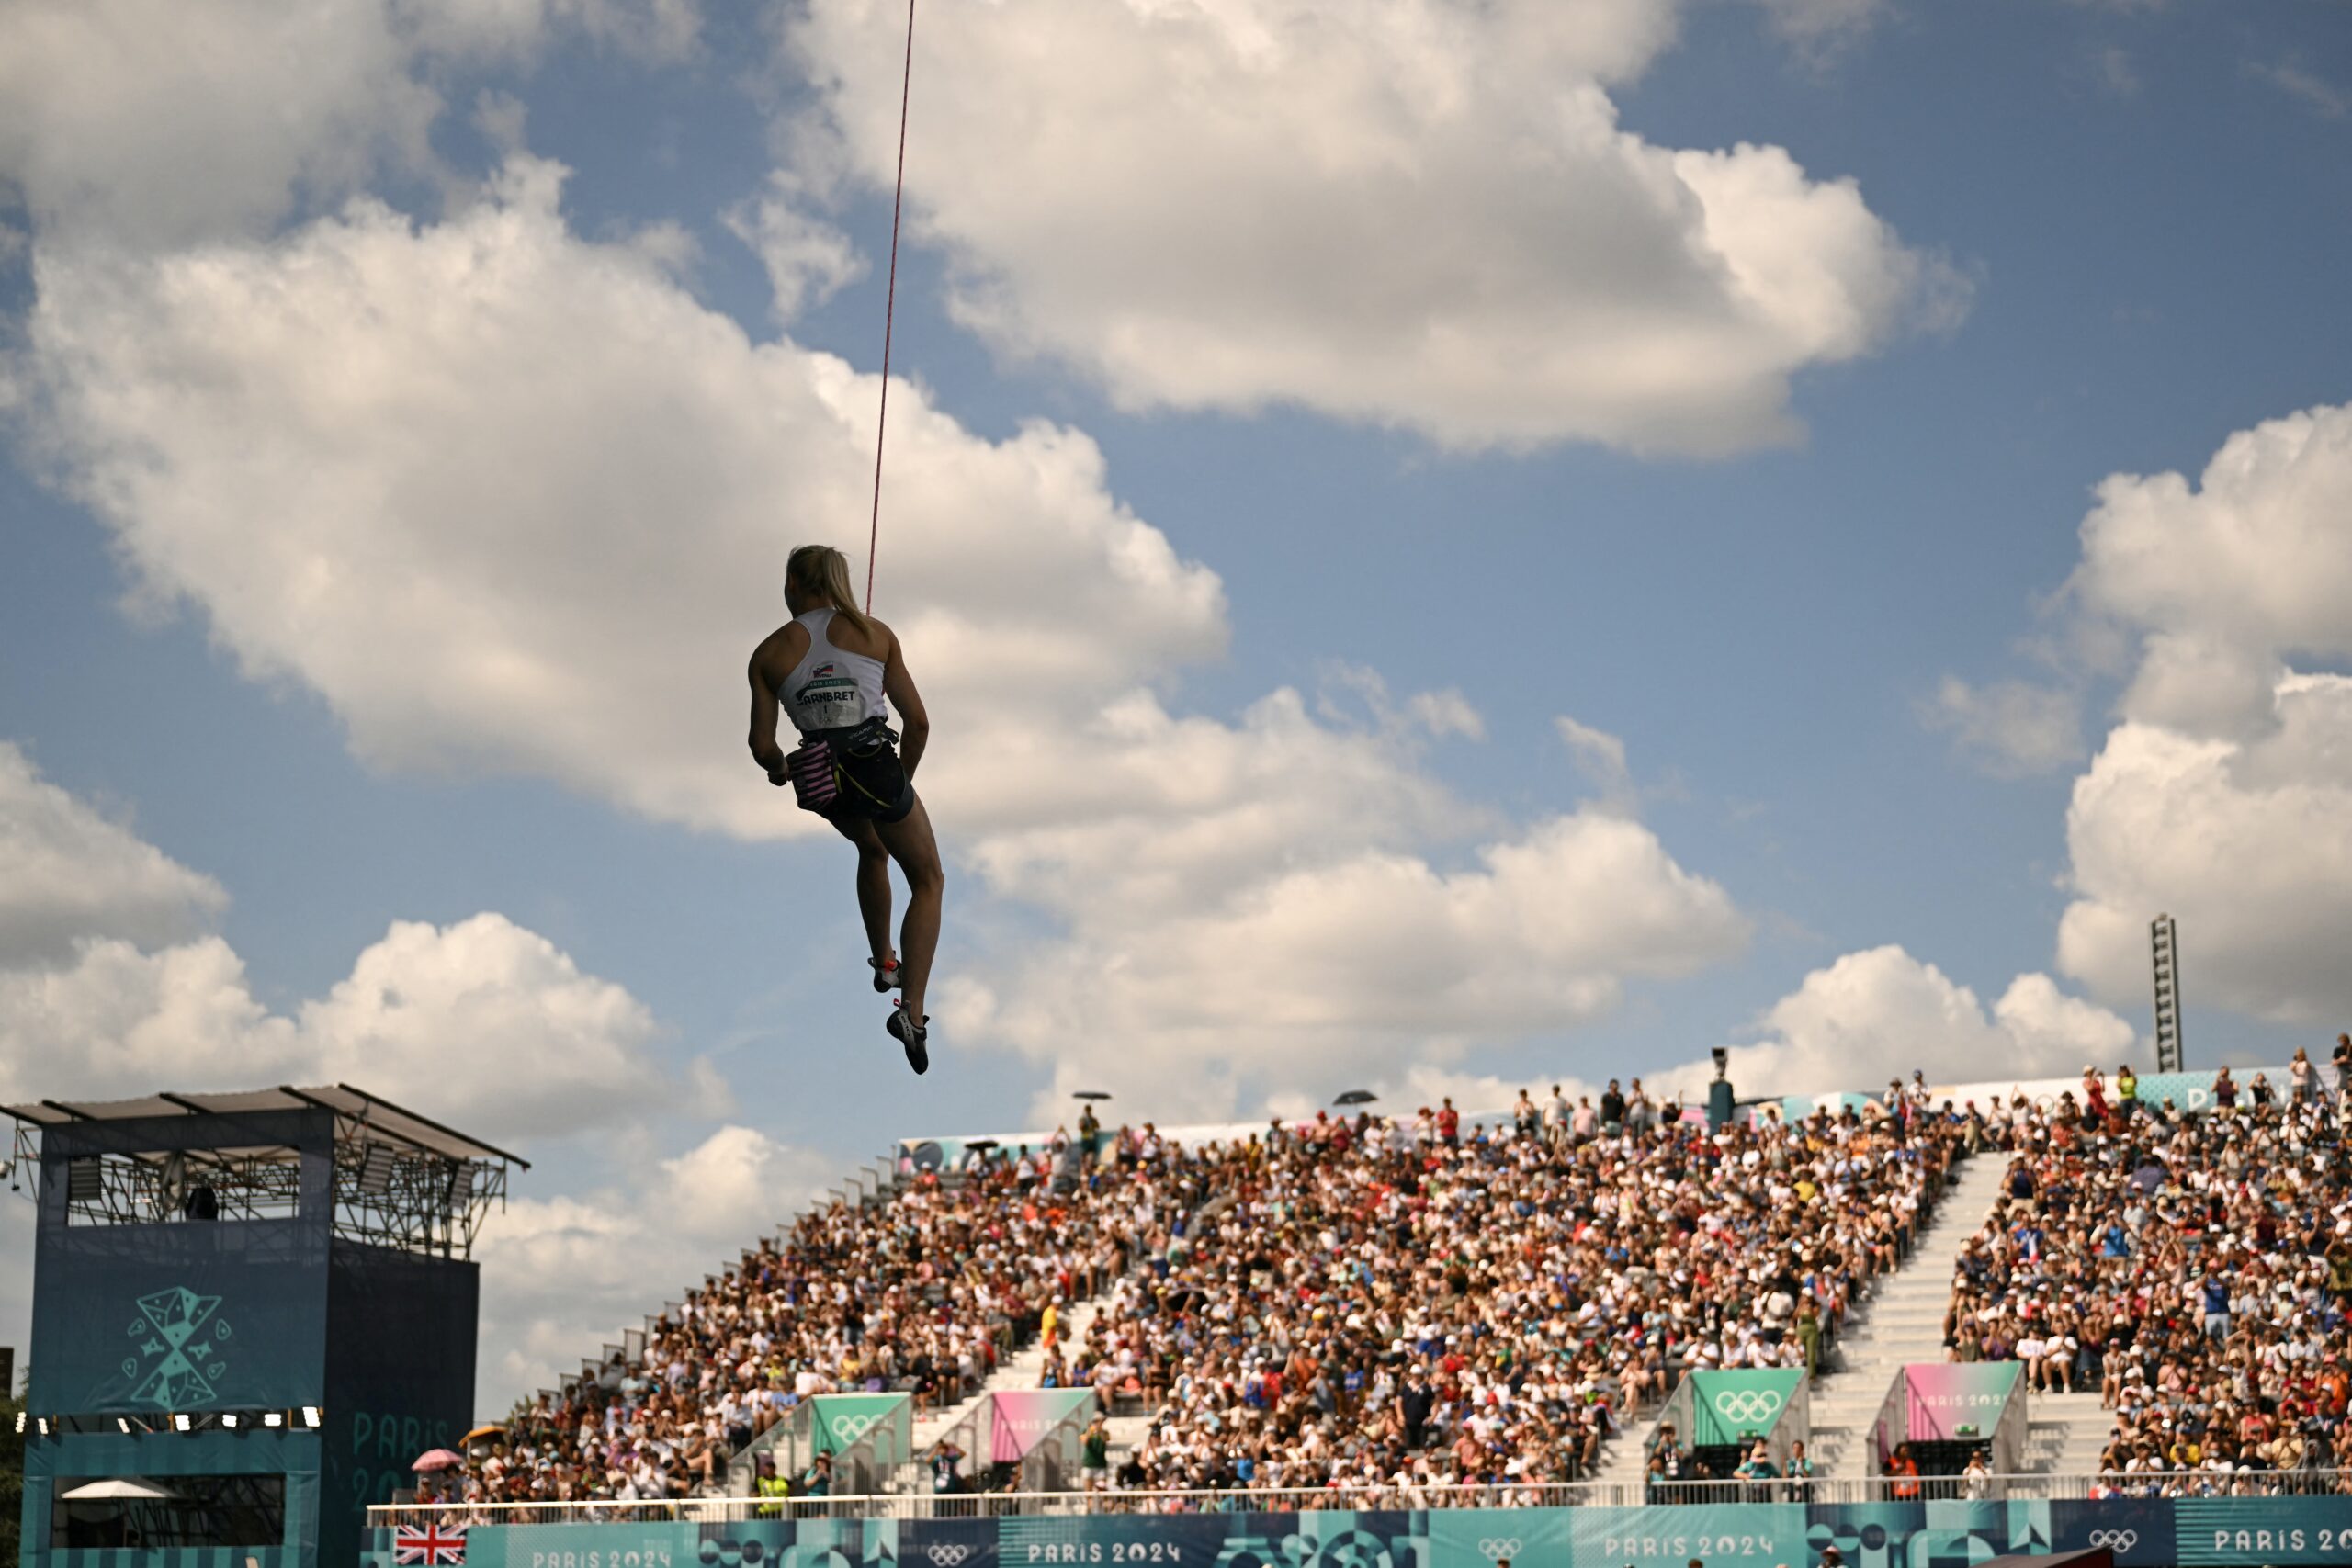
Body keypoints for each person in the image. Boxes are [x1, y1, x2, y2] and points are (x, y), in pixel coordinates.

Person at [748, 544, 944, 1074]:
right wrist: (901, 782)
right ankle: (914, 1014)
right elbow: (919, 723)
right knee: (927, 879)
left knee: (871, 846)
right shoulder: (875, 634)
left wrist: (778, 769)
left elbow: (762, 745)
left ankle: (884, 962)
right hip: (875, 767)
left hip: (820, 778)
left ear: (793, 583)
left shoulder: (768, 654)